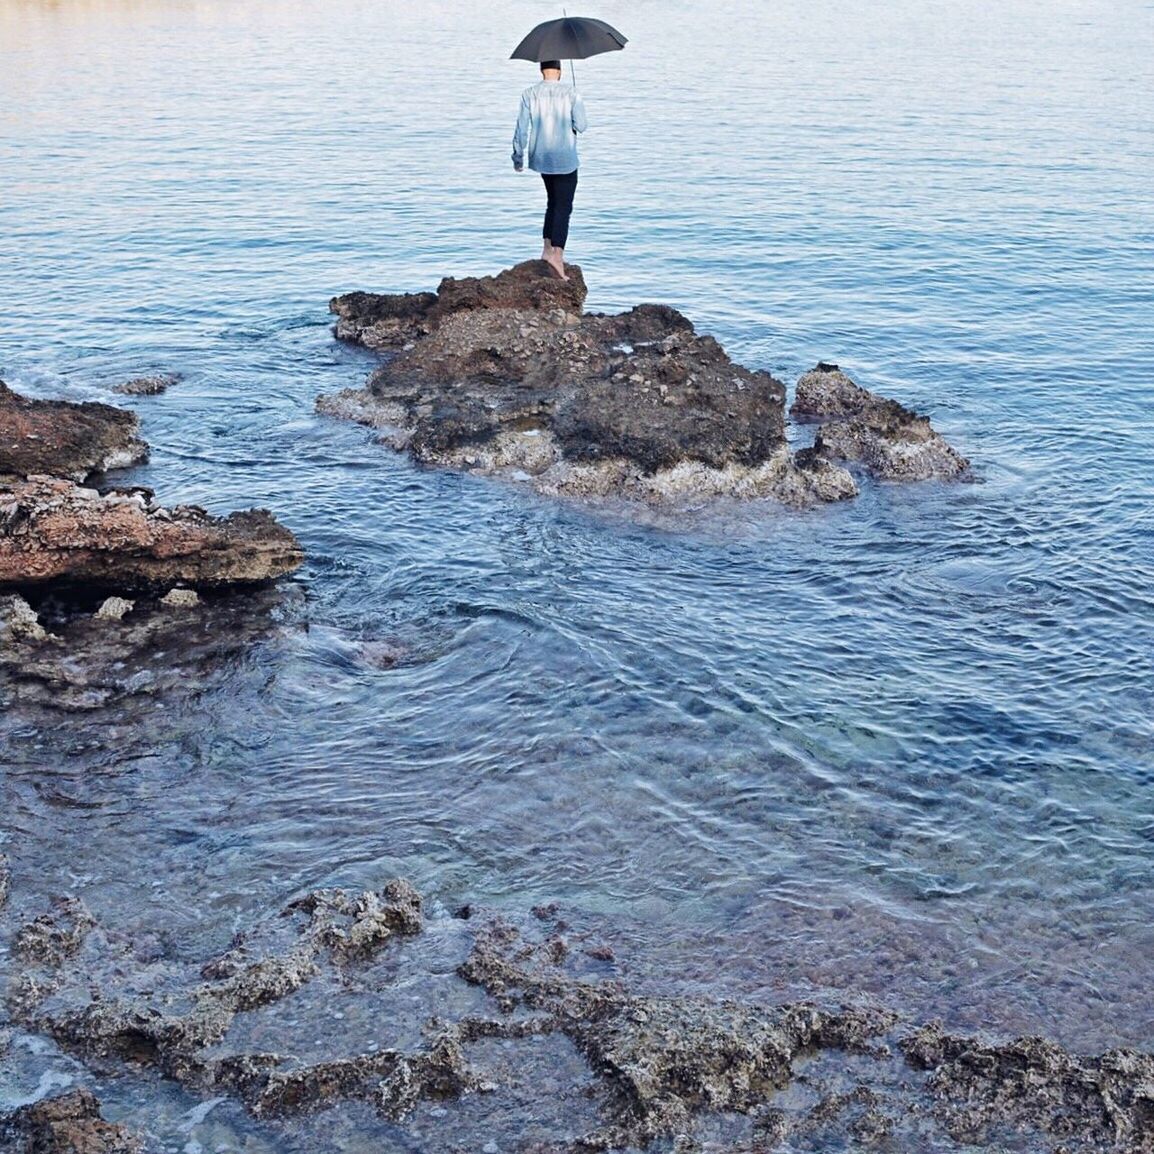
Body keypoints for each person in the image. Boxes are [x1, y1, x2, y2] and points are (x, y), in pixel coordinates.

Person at [512, 60, 588, 281]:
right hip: (565, 158)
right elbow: (582, 125)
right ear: (560, 71)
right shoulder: (572, 93)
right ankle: (557, 255)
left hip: (542, 157)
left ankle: (547, 249)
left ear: (541, 70)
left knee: (552, 201)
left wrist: (518, 158)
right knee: (564, 207)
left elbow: (521, 129)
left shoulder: (529, 94)